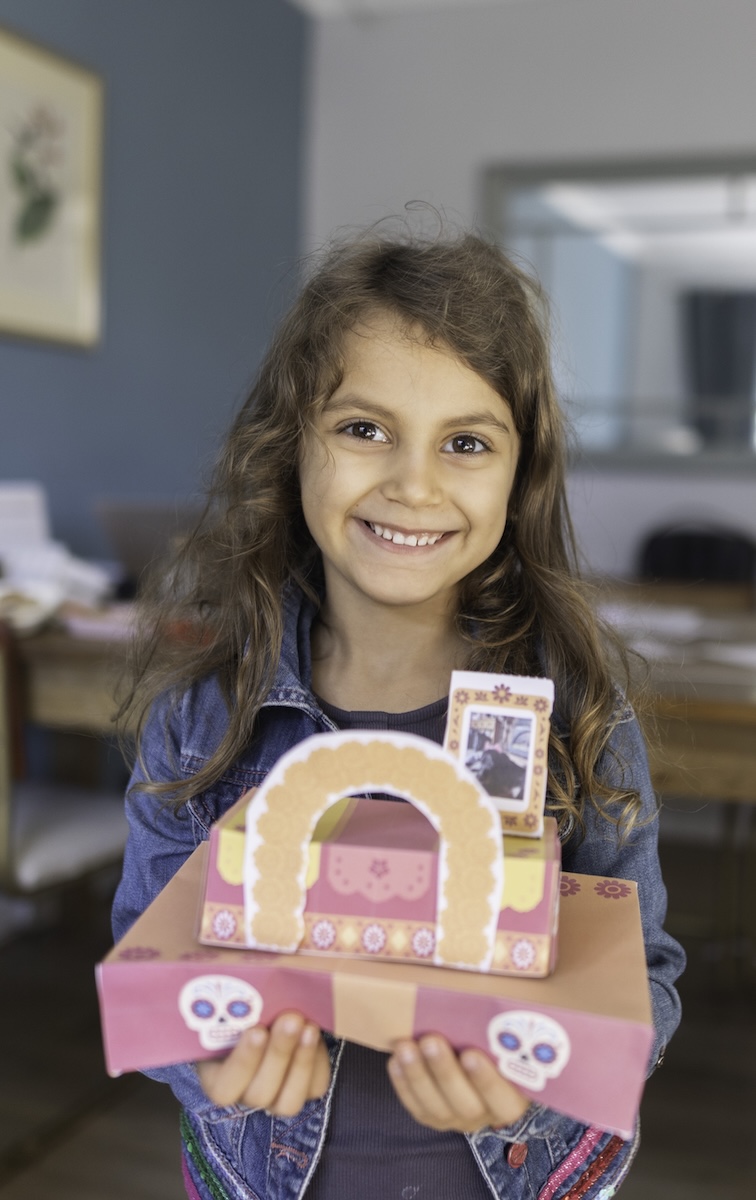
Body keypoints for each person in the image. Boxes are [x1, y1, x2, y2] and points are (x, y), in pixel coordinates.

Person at [112, 223, 685, 1200]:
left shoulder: (580, 713)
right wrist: (204, 1062)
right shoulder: (201, 719)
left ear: (521, 470)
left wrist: (536, 1083)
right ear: (293, 441)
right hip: (263, 1176)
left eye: (465, 443)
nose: (413, 485)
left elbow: (649, 980)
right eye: (364, 428)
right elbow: (151, 966)